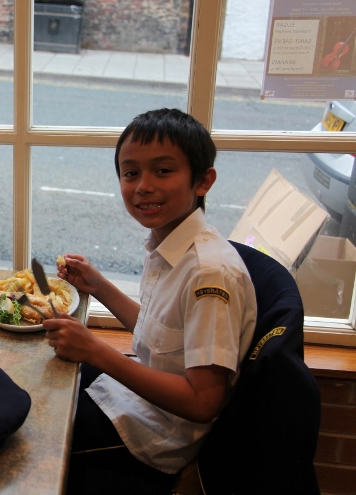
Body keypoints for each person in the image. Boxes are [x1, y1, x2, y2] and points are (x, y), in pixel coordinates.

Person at [44, 108, 258, 489]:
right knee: (48, 379)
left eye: (163, 171)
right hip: (137, 400)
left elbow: (202, 401)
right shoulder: (168, 243)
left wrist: (94, 350)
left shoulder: (209, 273)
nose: (143, 186)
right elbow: (162, 337)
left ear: (203, 181)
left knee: (41, 424)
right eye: (131, 173)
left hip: (158, 439)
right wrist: (99, 287)